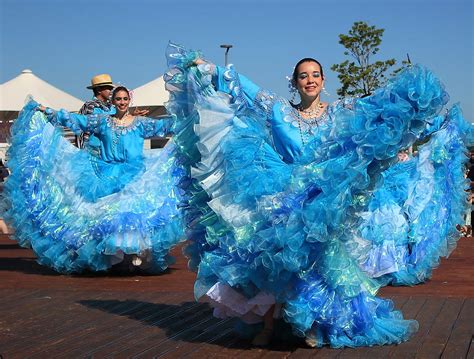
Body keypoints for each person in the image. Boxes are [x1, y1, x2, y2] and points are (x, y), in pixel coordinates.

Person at [164, 43, 471, 348]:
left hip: (325, 199)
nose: (309, 80)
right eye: (303, 76)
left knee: (321, 262)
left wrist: (414, 102)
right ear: (294, 82)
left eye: (315, 75)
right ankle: (268, 325)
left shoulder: (341, 112)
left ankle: (315, 323)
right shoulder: (278, 109)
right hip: (283, 194)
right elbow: (242, 86)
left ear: (323, 81)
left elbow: (377, 108)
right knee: (275, 260)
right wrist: (210, 68)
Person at [3, 86, 186, 274]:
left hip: (134, 175)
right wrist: (46, 111)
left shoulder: (140, 123)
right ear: (113, 101)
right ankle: (113, 257)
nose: (122, 102)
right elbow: (75, 120)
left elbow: (165, 126)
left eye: (124, 99)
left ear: (129, 101)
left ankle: (132, 254)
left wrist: (189, 116)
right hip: (104, 176)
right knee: (108, 216)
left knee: (131, 215)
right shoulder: (103, 121)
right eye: (118, 99)